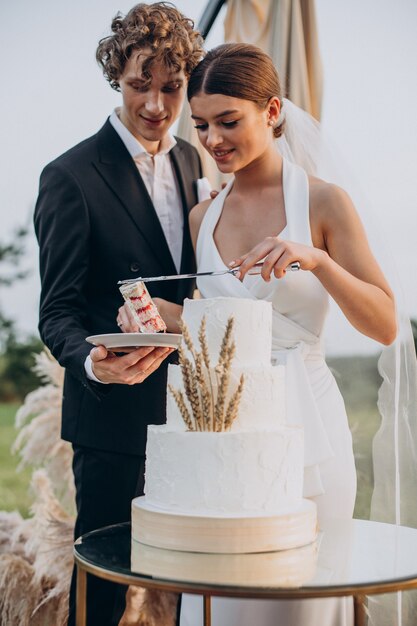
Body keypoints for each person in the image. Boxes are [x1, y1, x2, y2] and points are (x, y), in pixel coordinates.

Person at [119, 42, 397, 626]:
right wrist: (151, 313)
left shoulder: (322, 202)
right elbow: (215, 319)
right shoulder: (204, 217)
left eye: (229, 121)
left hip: (309, 431)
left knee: (303, 604)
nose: (214, 140)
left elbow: (385, 322)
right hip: (223, 433)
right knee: (221, 602)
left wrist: (315, 260)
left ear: (272, 111)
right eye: (200, 126)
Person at [33, 3, 204, 625]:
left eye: (171, 87)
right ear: (116, 78)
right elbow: (57, 311)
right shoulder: (69, 177)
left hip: (191, 421)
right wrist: (93, 363)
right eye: (140, 85)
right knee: (102, 592)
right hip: (110, 427)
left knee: (188, 585)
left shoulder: (194, 161)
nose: (156, 104)